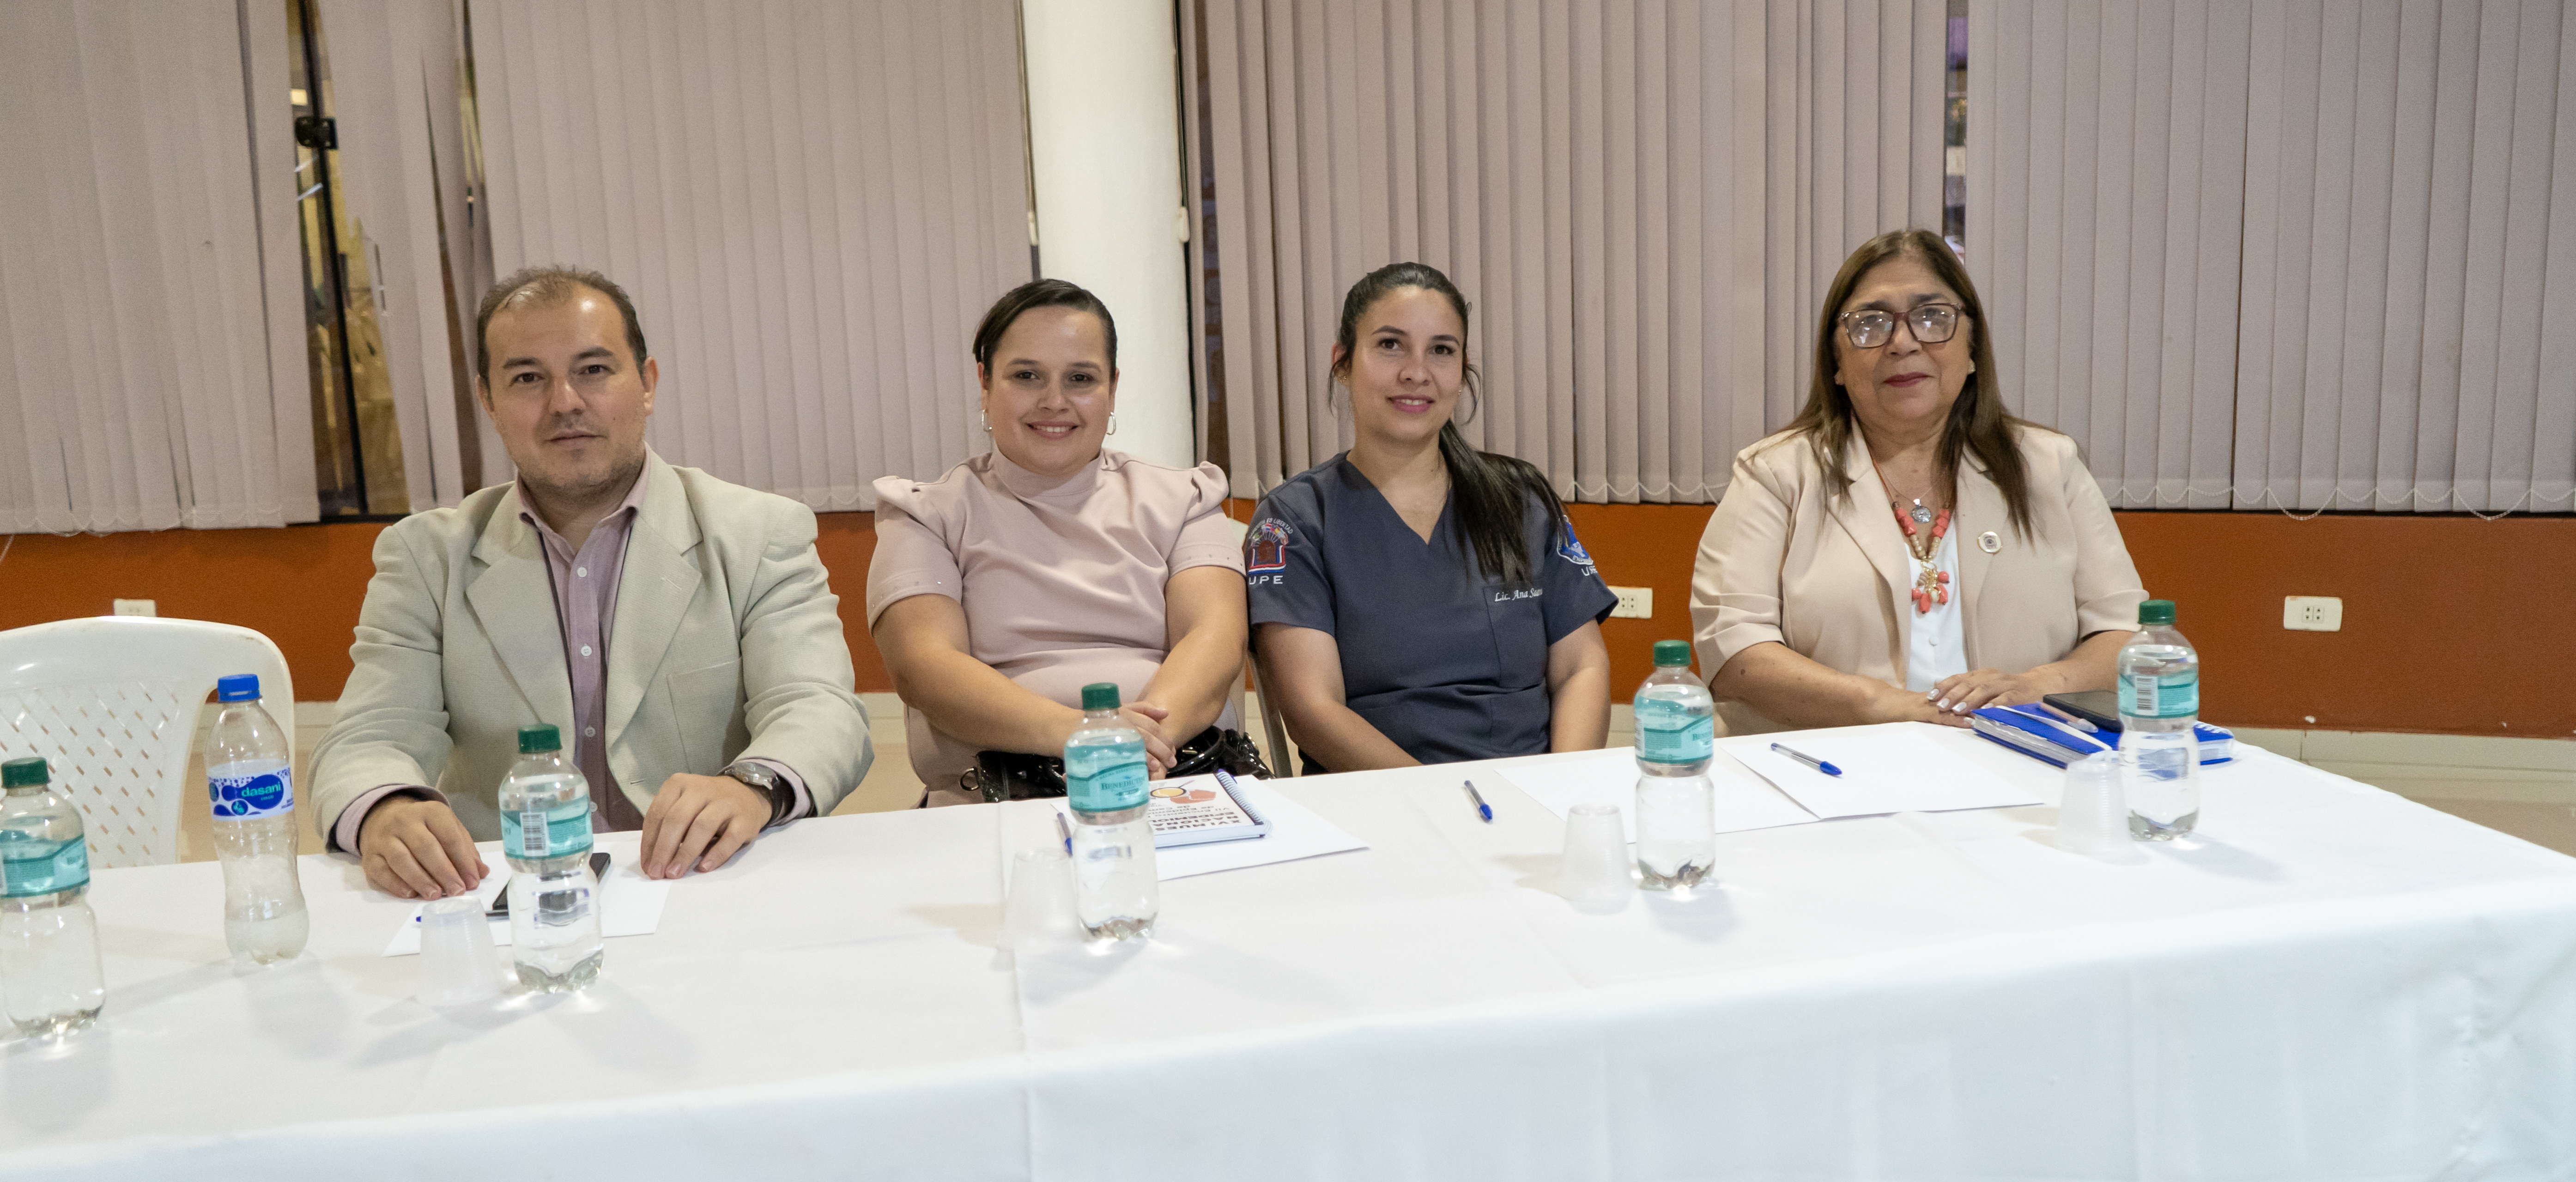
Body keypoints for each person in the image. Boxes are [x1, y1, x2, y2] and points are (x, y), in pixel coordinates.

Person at [311, 266, 873, 898]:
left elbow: (821, 709)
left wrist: (751, 785)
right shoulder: (426, 556)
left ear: (647, 383)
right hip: (507, 891)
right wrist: (385, 808)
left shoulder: (757, 533)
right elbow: (369, 737)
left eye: (594, 370)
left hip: (708, 883)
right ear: (488, 402)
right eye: (527, 378)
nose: (565, 403)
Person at [1690, 229, 2145, 734]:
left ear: (1972, 349)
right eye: (1871, 323)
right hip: (1832, 768)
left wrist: (2035, 685)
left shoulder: (2048, 466)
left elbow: (2126, 633)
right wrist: (1881, 704)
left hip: (2020, 759)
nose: (1903, 343)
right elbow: (1731, 649)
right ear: (1836, 363)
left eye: (1932, 317)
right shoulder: (1775, 474)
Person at [867, 279, 1250, 805]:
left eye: (1080, 378)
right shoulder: (925, 513)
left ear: (1112, 387)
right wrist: (1089, 737)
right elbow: (925, 668)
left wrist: (1136, 749)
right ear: (984, 382)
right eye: (1026, 376)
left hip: (1173, 780)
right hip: (995, 797)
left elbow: (1215, 637)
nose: (1054, 401)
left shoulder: (1184, 497)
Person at [1245, 262, 1615, 771]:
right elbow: (1313, 710)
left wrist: (1563, 788)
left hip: (1531, 793)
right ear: (1343, 363)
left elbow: (1581, 666)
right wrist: (1446, 804)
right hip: (1382, 802)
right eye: (1390, 345)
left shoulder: (1519, 498)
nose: (1416, 372)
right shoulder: (1294, 521)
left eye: (1441, 350)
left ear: (1461, 374)